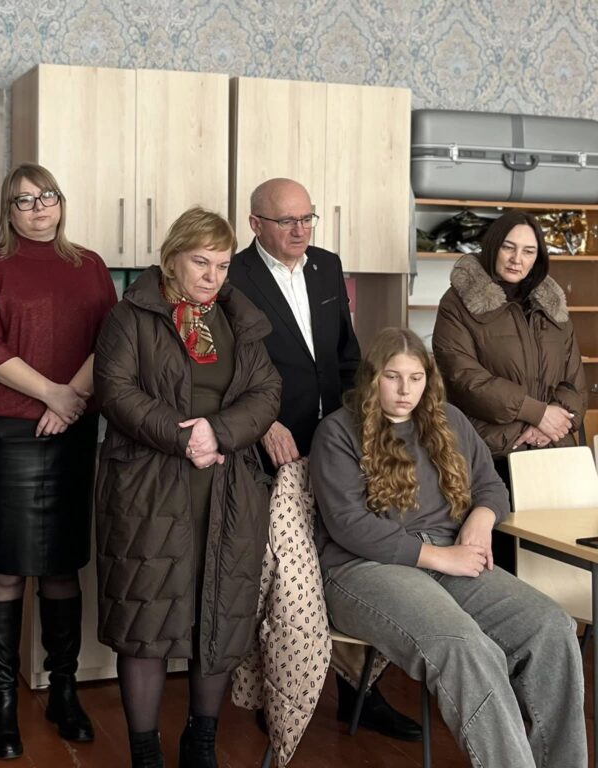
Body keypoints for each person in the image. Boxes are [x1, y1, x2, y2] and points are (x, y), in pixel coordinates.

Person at [310, 327, 586, 768]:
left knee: (552, 625)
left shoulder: (449, 420)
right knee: (465, 646)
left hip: (449, 557)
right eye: (392, 377)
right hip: (363, 569)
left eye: (416, 378)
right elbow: (349, 526)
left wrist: (482, 517)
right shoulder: (337, 431)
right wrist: (440, 557)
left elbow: (491, 486)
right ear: (371, 377)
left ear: (429, 379)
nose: (405, 390)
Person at [228, 177, 418, 741]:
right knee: (282, 583)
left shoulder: (327, 267)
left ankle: (361, 695)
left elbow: (345, 355)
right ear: (255, 223)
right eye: (286, 221)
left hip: (336, 448)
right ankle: (275, 697)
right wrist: (263, 423)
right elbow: (224, 372)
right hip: (269, 450)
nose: (300, 230)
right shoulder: (232, 276)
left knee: (346, 566)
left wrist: (365, 426)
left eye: (307, 218)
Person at [94, 206, 281, 768]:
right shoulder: (130, 316)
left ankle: (201, 741)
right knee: (145, 619)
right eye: (201, 262)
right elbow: (115, 391)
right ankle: (145, 751)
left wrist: (216, 432)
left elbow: (266, 393)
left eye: (222, 265)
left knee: (218, 615)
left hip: (227, 489)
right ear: (172, 257)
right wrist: (185, 438)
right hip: (150, 489)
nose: (212, 276)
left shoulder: (238, 318)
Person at [0, 162, 117, 759]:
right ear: (8, 210)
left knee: (62, 565)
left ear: (61, 202)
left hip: (72, 427)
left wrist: (70, 399)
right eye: (24, 200)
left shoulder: (91, 265)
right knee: (5, 567)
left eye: (47, 195)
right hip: (8, 428)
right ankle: (1, 701)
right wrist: (53, 394)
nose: (38, 207)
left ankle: (64, 691)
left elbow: (110, 341)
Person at [432, 210, 585, 503]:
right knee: (498, 532)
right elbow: (463, 379)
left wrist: (551, 423)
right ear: (493, 247)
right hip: (491, 453)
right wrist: (536, 414)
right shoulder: (458, 303)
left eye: (528, 251)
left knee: (560, 532)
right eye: (508, 247)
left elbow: (575, 381)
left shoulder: (552, 306)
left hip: (553, 451)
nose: (517, 259)